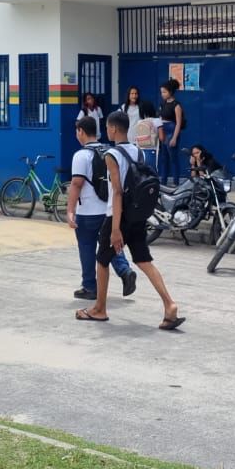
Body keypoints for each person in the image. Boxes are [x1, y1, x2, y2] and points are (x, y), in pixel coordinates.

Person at [76, 110, 185, 330]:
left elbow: (117, 192)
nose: (106, 131)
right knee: (143, 260)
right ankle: (169, 305)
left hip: (117, 216)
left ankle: (99, 309)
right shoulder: (138, 151)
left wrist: (115, 229)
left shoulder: (111, 155)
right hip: (137, 215)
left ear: (114, 128)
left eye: (108, 127)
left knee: (102, 260)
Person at [66, 116, 138, 301]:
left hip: (87, 212)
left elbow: (76, 183)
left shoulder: (81, 155)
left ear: (81, 131)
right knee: (109, 245)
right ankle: (125, 271)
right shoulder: (109, 151)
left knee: (87, 247)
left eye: (77, 131)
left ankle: (90, 286)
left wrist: (70, 210)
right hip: (107, 210)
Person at [158, 79, 185, 186]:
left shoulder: (176, 105)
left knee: (173, 158)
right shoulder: (163, 103)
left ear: (170, 92)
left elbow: (178, 123)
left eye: (164, 92)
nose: (162, 94)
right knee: (164, 158)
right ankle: (163, 182)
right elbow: (160, 118)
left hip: (171, 130)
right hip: (163, 130)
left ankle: (175, 182)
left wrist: (174, 137)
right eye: (161, 92)